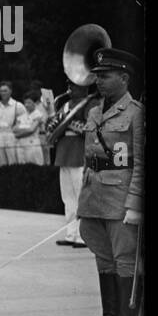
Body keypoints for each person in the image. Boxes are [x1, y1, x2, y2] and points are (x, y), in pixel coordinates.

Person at [75, 48, 143, 316]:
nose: (99, 80)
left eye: (106, 75)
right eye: (98, 75)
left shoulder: (136, 113)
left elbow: (140, 162)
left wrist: (135, 203)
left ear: (124, 78)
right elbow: (90, 158)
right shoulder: (93, 112)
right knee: (104, 260)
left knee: (125, 261)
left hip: (120, 198)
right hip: (94, 196)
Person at [50, 80, 98, 248]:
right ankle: (71, 234)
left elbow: (90, 130)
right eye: (69, 85)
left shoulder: (91, 104)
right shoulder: (66, 104)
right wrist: (54, 121)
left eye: (73, 86)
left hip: (79, 153)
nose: (69, 89)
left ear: (84, 87)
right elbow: (53, 128)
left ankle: (83, 236)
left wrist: (68, 121)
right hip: (64, 153)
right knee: (68, 197)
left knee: (80, 197)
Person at [0, 82, 25, 166]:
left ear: (10, 91)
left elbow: (24, 124)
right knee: (0, 161)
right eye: (1, 91)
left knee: (13, 161)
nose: (3, 93)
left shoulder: (18, 106)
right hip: (0, 135)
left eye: (5, 91)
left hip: (13, 136)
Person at [14, 90, 47, 165]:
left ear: (34, 103)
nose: (26, 105)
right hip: (21, 146)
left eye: (29, 102)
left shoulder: (38, 115)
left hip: (32, 145)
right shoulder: (22, 116)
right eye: (25, 103)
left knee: (34, 167)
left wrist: (20, 133)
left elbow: (32, 130)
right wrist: (27, 129)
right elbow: (14, 129)